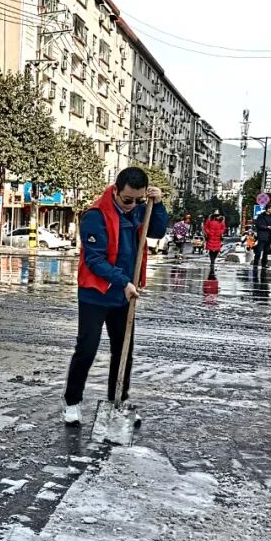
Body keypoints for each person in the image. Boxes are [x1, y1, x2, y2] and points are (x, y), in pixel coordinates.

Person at [63, 167, 168, 426]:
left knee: (124, 351)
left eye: (138, 200)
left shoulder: (140, 209)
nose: (132, 205)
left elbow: (157, 231)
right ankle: (72, 402)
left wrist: (157, 204)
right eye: (128, 199)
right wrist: (123, 282)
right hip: (95, 294)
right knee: (87, 349)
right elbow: (95, 260)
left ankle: (118, 400)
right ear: (115, 190)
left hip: (124, 294)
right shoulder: (95, 216)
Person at [253, 204, 271, 270]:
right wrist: (267, 227)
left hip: (269, 236)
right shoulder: (261, 216)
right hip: (262, 235)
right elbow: (258, 225)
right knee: (259, 250)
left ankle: (264, 264)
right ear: (268, 209)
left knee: (266, 251)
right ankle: (255, 263)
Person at [203, 209, 226, 277]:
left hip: (217, 237)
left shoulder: (221, 220)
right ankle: (212, 261)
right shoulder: (209, 219)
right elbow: (206, 227)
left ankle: (213, 260)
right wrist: (208, 232)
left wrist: (220, 232)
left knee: (216, 250)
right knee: (211, 249)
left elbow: (223, 228)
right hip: (211, 237)